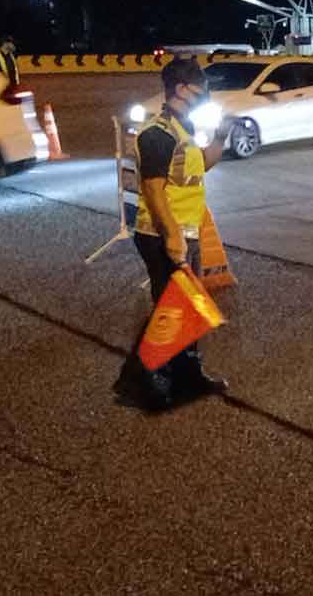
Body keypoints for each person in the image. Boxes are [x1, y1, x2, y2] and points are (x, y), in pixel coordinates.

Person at [114, 58, 230, 410]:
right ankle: (135, 381)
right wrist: (173, 236)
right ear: (181, 89)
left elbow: (201, 166)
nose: (205, 96)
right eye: (201, 90)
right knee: (169, 309)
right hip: (161, 234)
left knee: (184, 307)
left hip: (186, 231)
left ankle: (187, 376)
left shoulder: (182, 128)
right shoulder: (157, 133)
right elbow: (153, 190)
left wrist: (221, 136)